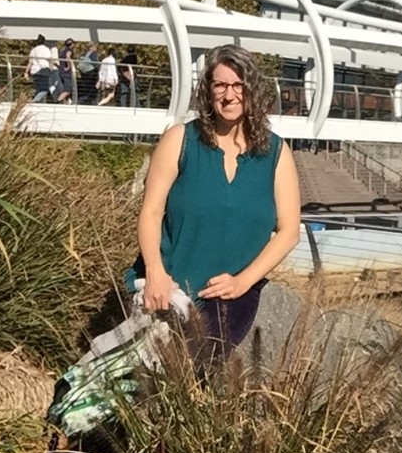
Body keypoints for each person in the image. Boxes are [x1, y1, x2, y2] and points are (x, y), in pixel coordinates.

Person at [128, 44, 301, 357]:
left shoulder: (276, 153)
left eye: (238, 86)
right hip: (170, 283)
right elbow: (151, 212)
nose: (229, 95)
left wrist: (243, 282)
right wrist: (154, 271)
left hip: (229, 290)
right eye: (220, 85)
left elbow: (289, 230)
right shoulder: (180, 140)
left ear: (253, 91)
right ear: (208, 91)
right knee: (138, 364)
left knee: (198, 360)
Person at [24, 34, 52, 102]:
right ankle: (34, 101)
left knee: (39, 89)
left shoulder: (34, 50)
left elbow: (30, 62)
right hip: (43, 70)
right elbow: (50, 59)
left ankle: (36, 101)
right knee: (44, 89)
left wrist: (26, 72)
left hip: (35, 71)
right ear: (44, 42)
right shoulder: (46, 49)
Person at [57, 38, 75, 104]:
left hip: (61, 72)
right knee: (67, 90)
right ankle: (57, 102)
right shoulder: (69, 50)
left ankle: (67, 103)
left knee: (65, 89)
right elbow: (68, 57)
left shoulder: (63, 51)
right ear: (72, 44)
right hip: (67, 73)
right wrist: (68, 66)